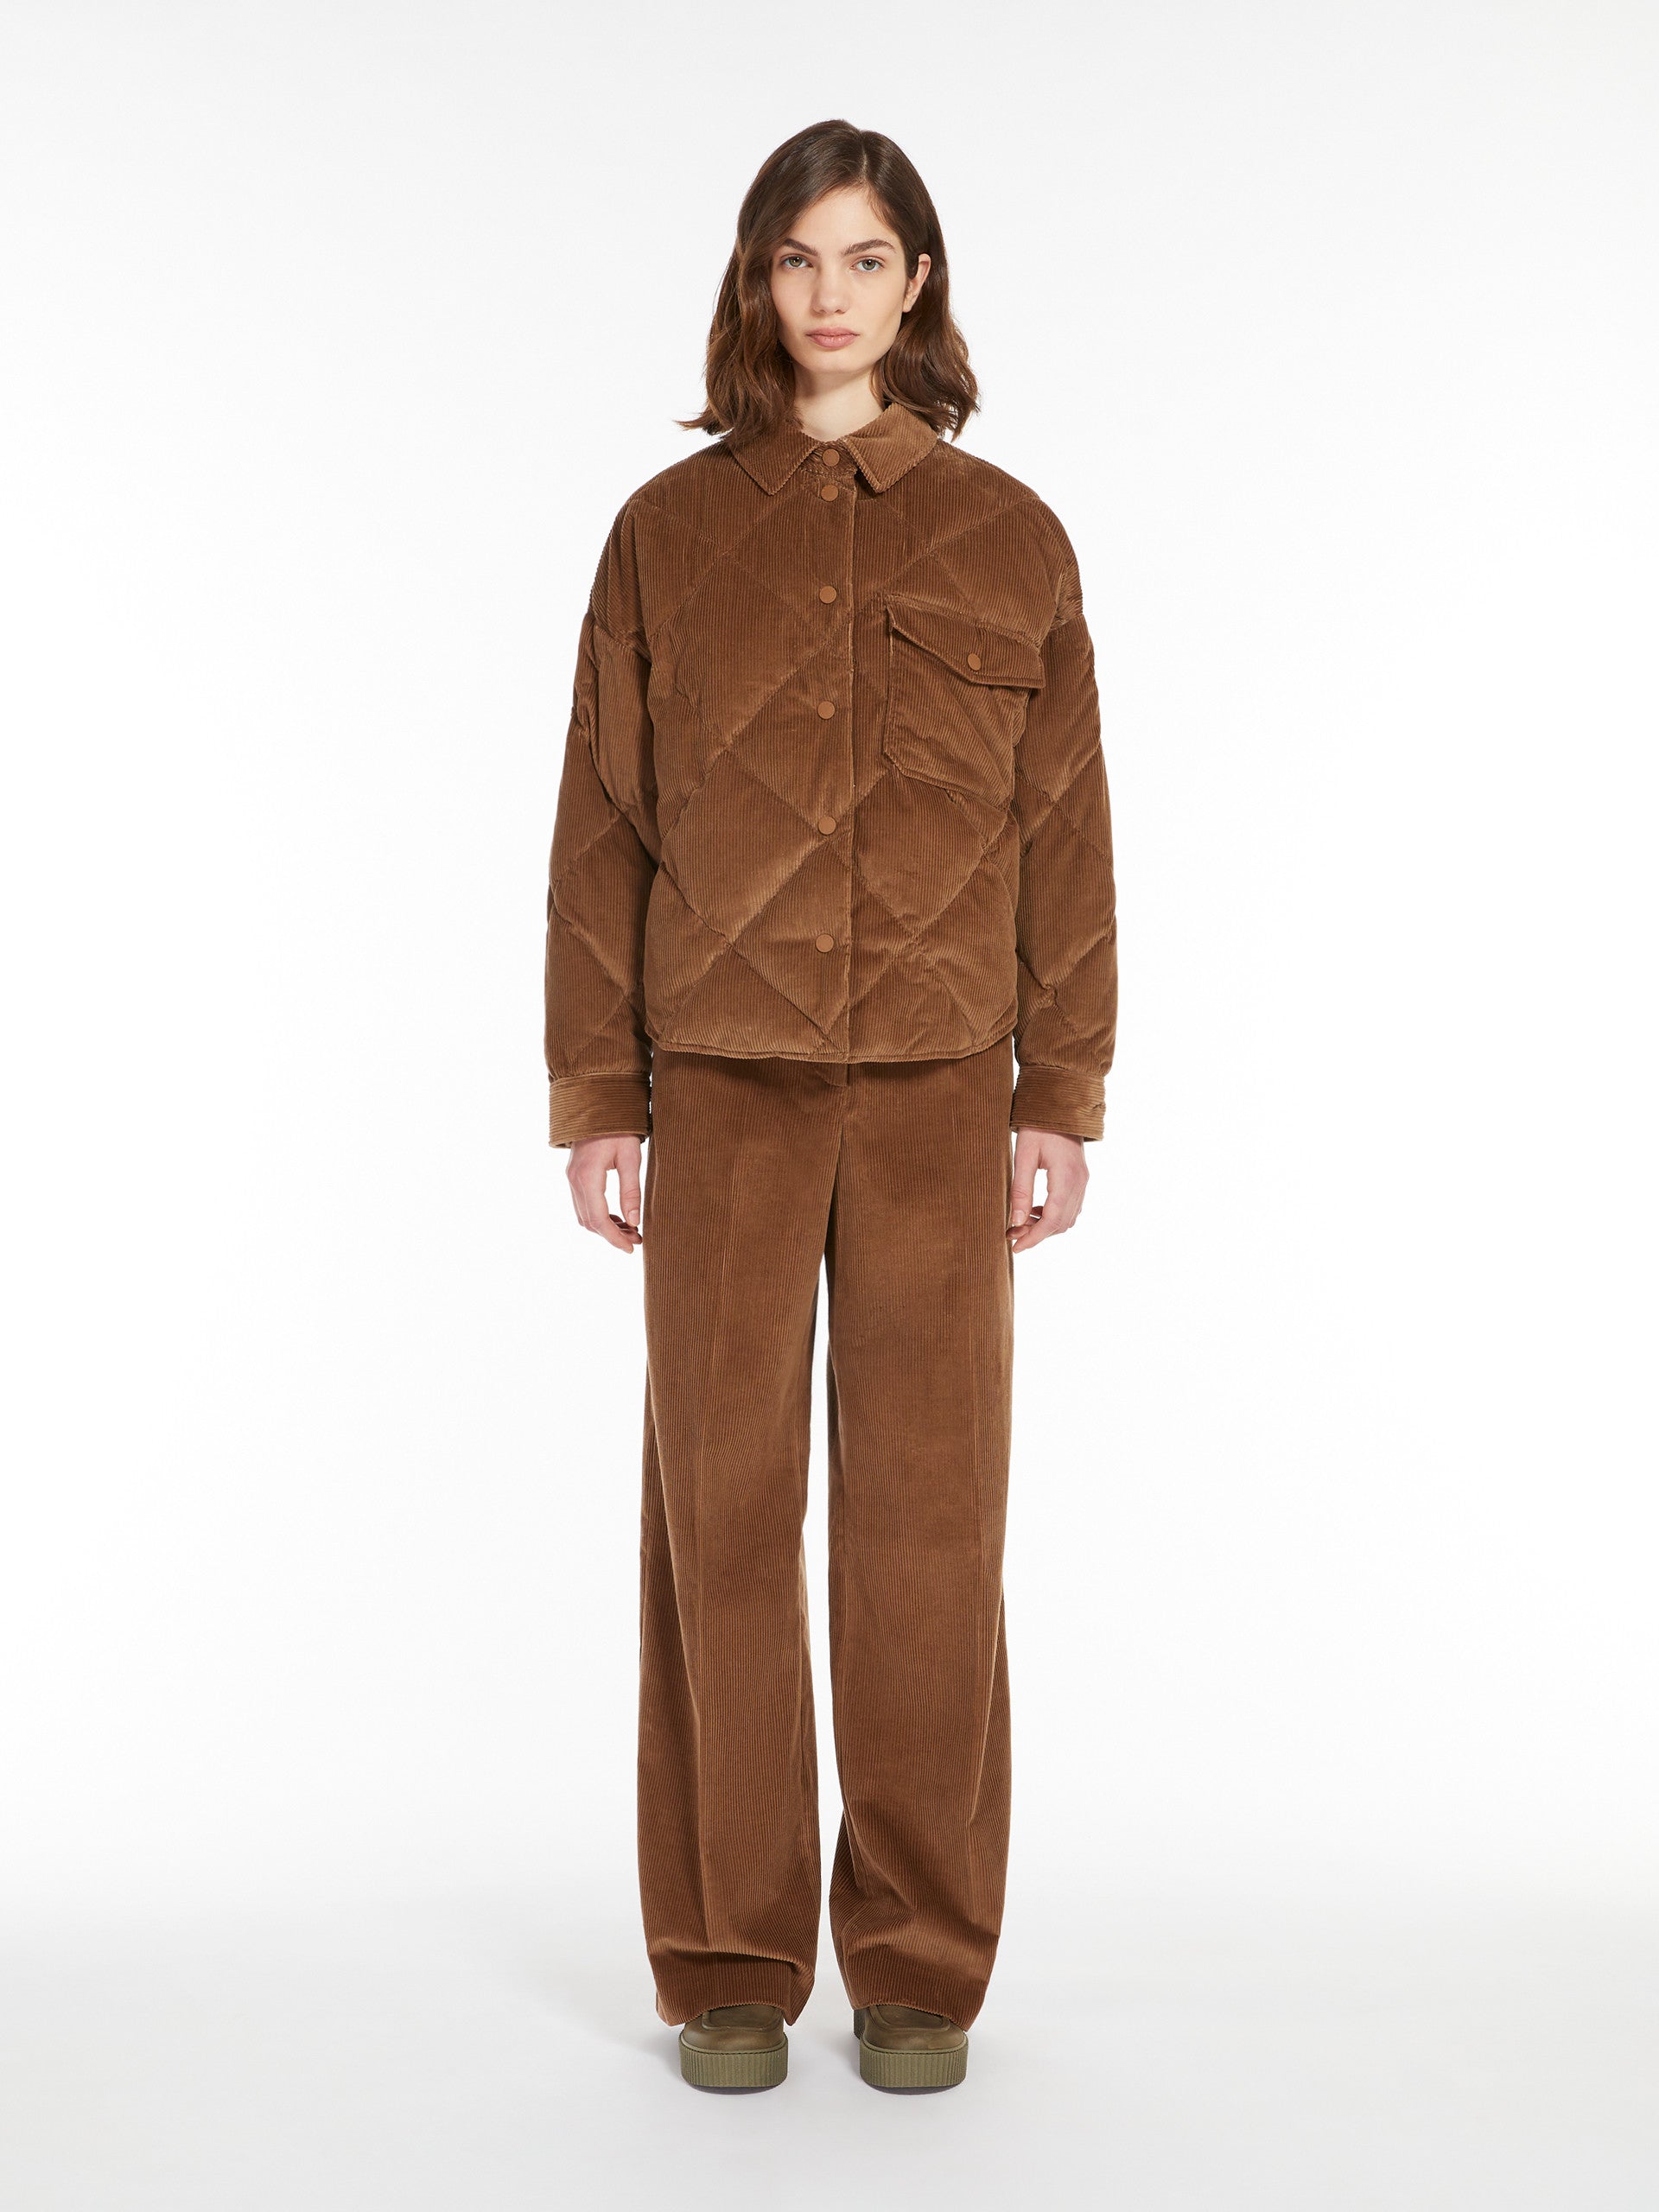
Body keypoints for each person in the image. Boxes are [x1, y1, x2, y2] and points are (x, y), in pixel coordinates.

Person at [543, 118, 1117, 2095]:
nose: (831, 293)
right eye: (798, 257)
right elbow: (600, 827)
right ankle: (728, 1953)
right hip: (718, 1084)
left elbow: (1069, 837)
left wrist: (1065, 1088)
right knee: (717, 1512)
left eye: (867, 257)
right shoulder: (664, 534)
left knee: (931, 1530)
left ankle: (920, 1960)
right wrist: (593, 1091)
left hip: (948, 1096)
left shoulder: (1015, 538)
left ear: (918, 281)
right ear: (756, 280)